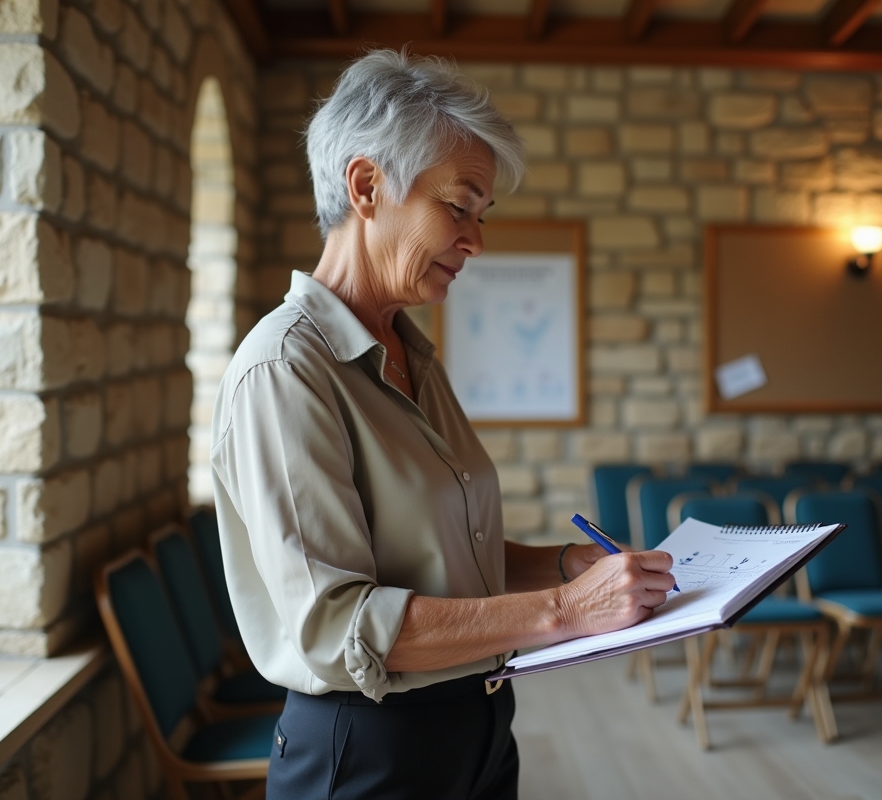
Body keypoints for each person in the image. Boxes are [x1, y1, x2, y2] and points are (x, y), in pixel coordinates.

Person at [210, 50, 675, 800]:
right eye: (458, 207)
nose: (476, 240)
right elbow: (337, 626)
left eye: (481, 215)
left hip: (477, 725)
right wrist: (564, 611)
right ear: (367, 187)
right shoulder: (285, 369)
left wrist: (565, 566)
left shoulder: (412, 355)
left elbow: (446, 555)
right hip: (369, 751)